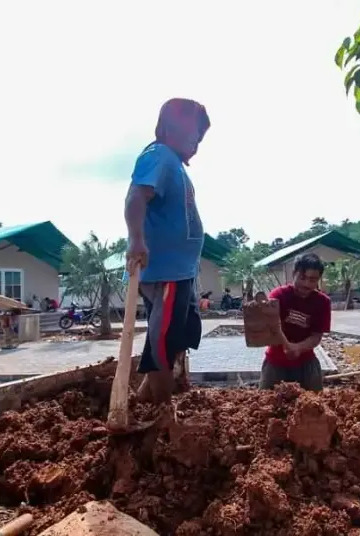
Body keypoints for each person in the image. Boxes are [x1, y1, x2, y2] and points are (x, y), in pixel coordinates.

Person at [124, 97, 210, 404]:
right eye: (194, 136)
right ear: (172, 129)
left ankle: (142, 401)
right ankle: (161, 411)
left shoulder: (174, 164)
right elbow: (136, 196)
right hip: (165, 273)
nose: (197, 144)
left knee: (177, 338)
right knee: (163, 343)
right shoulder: (159, 155)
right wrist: (136, 240)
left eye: (200, 139)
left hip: (181, 273)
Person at [260, 253, 331, 392]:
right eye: (302, 278)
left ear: (318, 279)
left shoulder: (322, 302)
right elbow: (269, 328)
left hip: (306, 365)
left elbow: (316, 336)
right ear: (294, 274)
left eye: (312, 280)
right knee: (266, 408)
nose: (306, 284)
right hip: (275, 364)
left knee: (314, 407)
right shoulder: (278, 296)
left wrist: (298, 348)